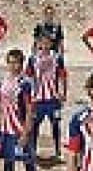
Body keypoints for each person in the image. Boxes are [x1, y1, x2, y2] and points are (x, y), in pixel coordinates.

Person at [0, 49, 37, 171]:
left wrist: (26, 132)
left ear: (22, 63)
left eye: (17, 62)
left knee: (27, 161)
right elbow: (0, 105)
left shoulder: (25, 83)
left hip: (20, 128)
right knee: (8, 159)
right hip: (6, 128)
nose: (13, 66)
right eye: (10, 62)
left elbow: (30, 109)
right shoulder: (3, 81)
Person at [26, 32, 67, 161]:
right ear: (38, 44)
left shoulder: (57, 57)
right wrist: (28, 96)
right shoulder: (33, 59)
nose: (44, 45)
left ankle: (58, 152)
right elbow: (28, 78)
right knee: (35, 126)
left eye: (47, 42)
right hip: (37, 99)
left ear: (51, 43)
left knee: (55, 125)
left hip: (53, 98)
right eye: (42, 42)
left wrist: (63, 92)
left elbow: (62, 76)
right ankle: (32, 152)